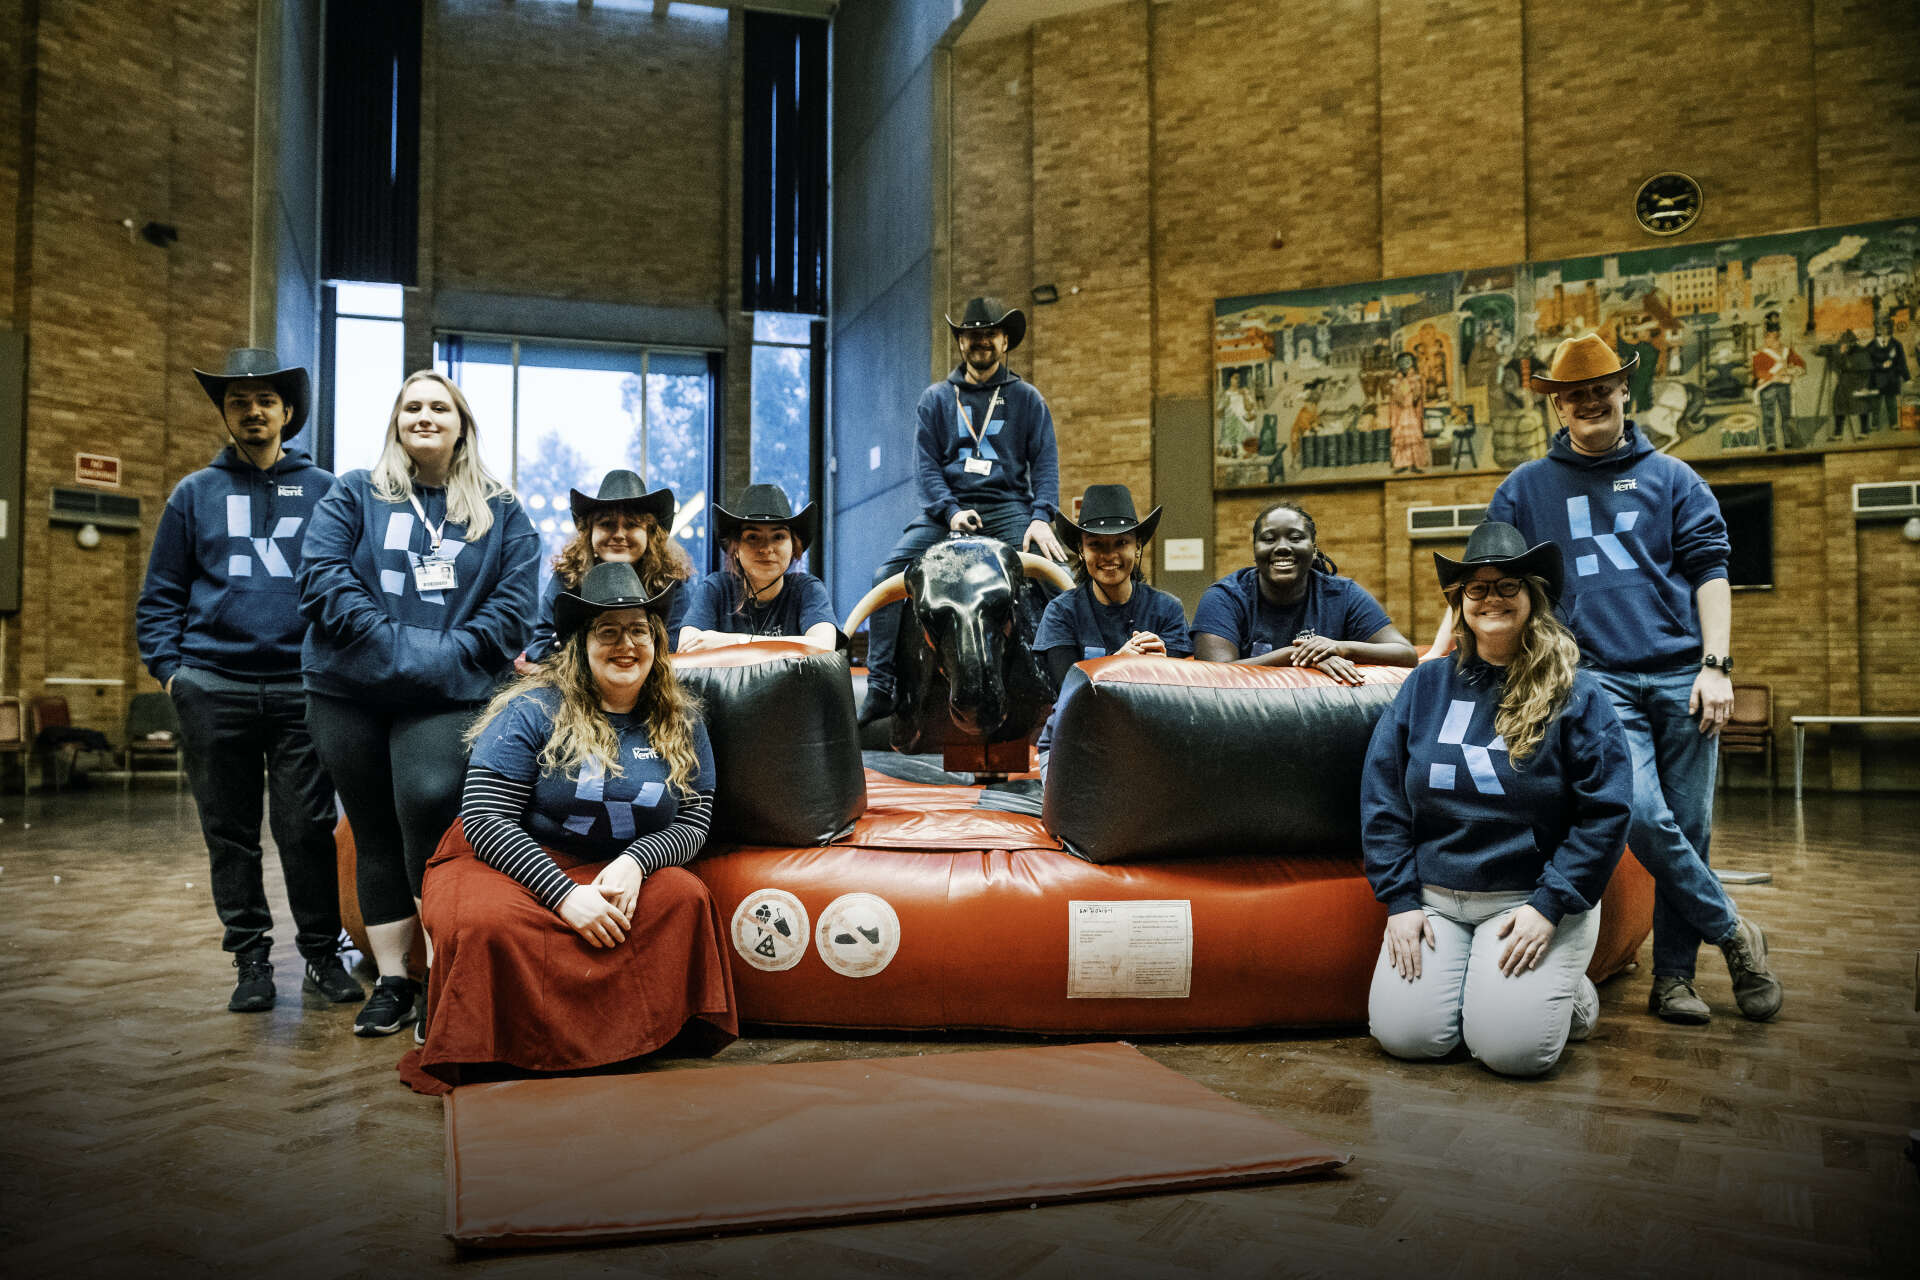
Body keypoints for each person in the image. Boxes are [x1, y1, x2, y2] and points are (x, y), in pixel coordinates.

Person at [1485, 332, 1783, 1025]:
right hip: (1597, 680)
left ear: (1626, 393)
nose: (1589, 402)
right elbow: (1489, 575)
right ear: (1557, 406)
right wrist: (1445, 646)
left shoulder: (1675, 479)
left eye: (1600, 389)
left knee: (1689, 827)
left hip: (1684, 676)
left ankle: (1675, 979)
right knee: (1641, 816)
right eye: (1573, 394)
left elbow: (1712, 572)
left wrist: (1717, 665)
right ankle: (1737, 934)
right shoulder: (1524, 488)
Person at [398, 561, 736, 1095]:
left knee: (684, 897)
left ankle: (626, 1040)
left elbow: (696, 821)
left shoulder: (683, 719)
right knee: (483, 924)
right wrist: (563, 897)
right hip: (508, 861)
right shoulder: (530, 709)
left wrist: (636, 861)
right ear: (580, 644)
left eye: (639, 631)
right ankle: (505, 1052)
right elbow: (486, 822)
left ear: (656, 642)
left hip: (611, 863)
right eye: (607, 631)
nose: (626, 645)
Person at [298, 370, 540, 1038]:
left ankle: (441, 974)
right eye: (412, 406)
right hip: (348, 691)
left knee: (430, 811)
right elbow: (322, 577)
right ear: (396, 422)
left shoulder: (503, 511)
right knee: (371, 827)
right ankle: (395, 980)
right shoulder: (353, 493)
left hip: (453, 691)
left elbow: (515, 606)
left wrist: (437, 656)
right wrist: (398, 647)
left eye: (440, 406)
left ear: (462, 424)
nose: (425, 415)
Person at [135, 347, 360, 1013]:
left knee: (305, 828)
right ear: (227, 414)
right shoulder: (193, 494)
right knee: (229, 832)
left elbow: (349, 584)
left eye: (266, 400)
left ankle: (321, 954)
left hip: (300, 689)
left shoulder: (324, 491)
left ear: (287, 413)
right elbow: (161, 596)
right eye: (239, 401)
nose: (253, 411)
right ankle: (251, 960)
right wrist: (175, 674)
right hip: (214, 686)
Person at [1362, 523, 1630, 1077]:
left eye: (1508, 585)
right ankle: (1492, 987)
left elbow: (1606, 812)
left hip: (1528, 901)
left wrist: (1550, 905)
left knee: (1513, 1054)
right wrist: (1401, 900)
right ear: (1460, 603)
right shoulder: (1425, 685)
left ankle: (1571, 995)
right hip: (1436, 899)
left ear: (1534, 597)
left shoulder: (1577, 693)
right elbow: (1382, 794)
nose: (1491, 599)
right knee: (1406, 1037)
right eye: (1476, 588)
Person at [858, 297, 1067, 724]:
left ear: (1005, 340)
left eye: (990, 333)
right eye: (972, 334)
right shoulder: (935, 399)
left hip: (1008, 507)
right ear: (960, 341)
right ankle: (882, 685)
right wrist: (950, 511)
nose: (981, 341)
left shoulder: (1028, 399)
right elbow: (926, 468)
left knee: (1054, 576)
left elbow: (1045, 463)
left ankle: (1059, 683)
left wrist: (1042, 517)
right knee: (885, 578)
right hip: (946, 513)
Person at [1191, 501, 1416, 683]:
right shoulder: (1224, 597)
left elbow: (1406, 654)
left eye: (1296, 538)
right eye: (1268, 539)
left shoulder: (1343, 594)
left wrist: (1340, 648)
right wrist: (1300, 655)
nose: (1282, 547)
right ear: (1255, 550)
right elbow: (1214, 675)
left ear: (1314, 550)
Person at [525, 470, 691, 663]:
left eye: (631, 525)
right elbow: (537, 649)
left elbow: (675, 651)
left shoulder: (670, 581)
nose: (619, 534)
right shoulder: (568, 576)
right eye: (606, 524)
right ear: (589, 532)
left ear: (650, 534)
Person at [677, 484, 838, 651]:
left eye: (778, 537)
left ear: (793, 547)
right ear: (736, 548)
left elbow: (824, 646)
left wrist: (729, 641)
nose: (766, 548)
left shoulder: (807, 589)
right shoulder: (717, 588)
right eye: (753, 537)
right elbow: (686, 645)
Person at [1387, 350, 1429, 474]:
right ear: (1398, 364)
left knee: (1414, 439)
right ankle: (1401, 464)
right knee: (1400, 439)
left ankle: (1416, 463)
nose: (1405, 364)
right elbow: (1394, 398)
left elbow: (1418, 395)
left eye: (1407, 362)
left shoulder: (1416, 378)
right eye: (1402, 362)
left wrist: (1414, 388)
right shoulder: (1395, 380)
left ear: (1412, 363)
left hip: (1412, 413)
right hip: (1400, 413)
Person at [1864, 317, 1909, 431]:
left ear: (1889, 328)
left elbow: (1902, 361)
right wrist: (1881, 366)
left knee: (1892, 403)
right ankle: (1874, 424)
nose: (1880, 329)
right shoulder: (1870, 346)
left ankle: (1894, 424)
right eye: (1878, 327)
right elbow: (1867, 363)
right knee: (1875, 403)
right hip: (1876, 379)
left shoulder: (1896, 344)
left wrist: (1907, 378)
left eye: (1884, 326)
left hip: (1891, 378)